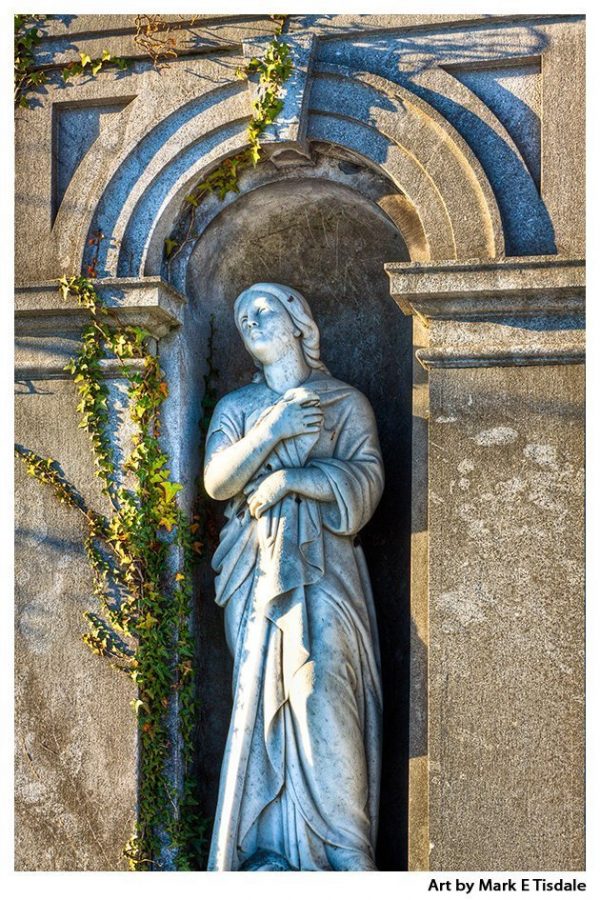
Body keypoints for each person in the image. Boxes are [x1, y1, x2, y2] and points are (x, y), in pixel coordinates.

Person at [204, 282, 384, 871]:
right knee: (260, 705)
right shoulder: (239, 409)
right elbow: (217, 482)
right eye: (241, 316)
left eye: (263, 309)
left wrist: (293, 481)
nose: (251, 321)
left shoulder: (345, 402)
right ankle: (266, 851)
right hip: (255, 574)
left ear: (297, 320)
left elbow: (367, 481)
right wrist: (272, 431)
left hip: (327, 575)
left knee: (321, 690)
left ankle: (345, 853)